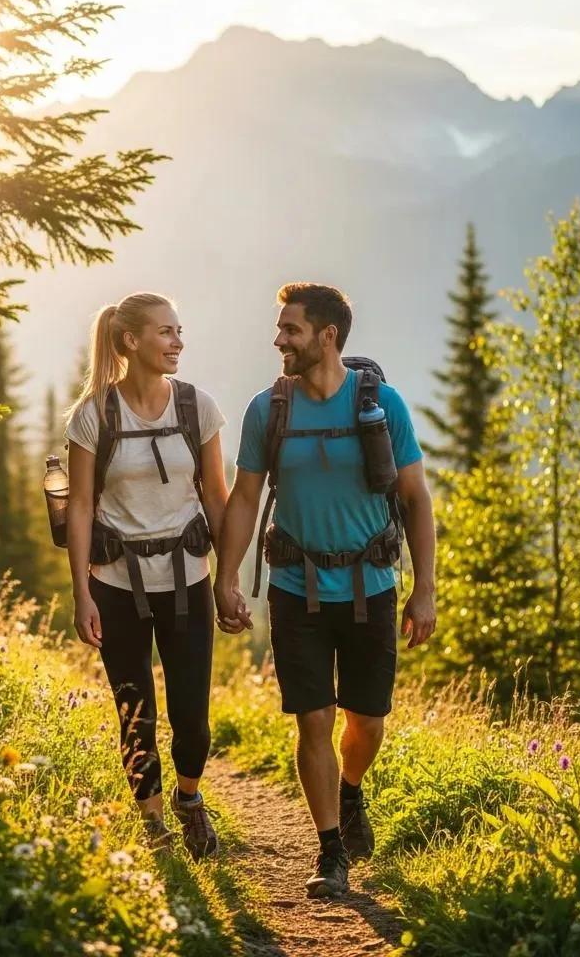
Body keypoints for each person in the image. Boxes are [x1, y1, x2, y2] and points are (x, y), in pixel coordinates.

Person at [214, 282, 437, 898]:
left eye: (291, 329)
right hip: (295, 586)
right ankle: (331, 850)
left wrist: (425, 590)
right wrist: (226, 577)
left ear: (326, 336)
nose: (278, 339)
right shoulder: (269, 409)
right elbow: (244, 497)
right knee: (313, 720)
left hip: (372, 586)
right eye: (280, 328)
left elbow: (417, 499)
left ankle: (352, 788)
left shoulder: (382, 404)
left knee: (366, 720)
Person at [65, 291, 238, 858]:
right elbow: (83, 507)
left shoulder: (197, 408)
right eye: (166, 332)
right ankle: (154, 825)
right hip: (116, 586)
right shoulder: (92, 416)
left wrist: (227, 578)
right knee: (134, 712)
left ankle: (189, 799)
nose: (178, 342)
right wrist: (82, 592)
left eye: (179, 331)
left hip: (188, 578)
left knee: (193, 718)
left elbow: (216, 496)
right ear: (131, 340)